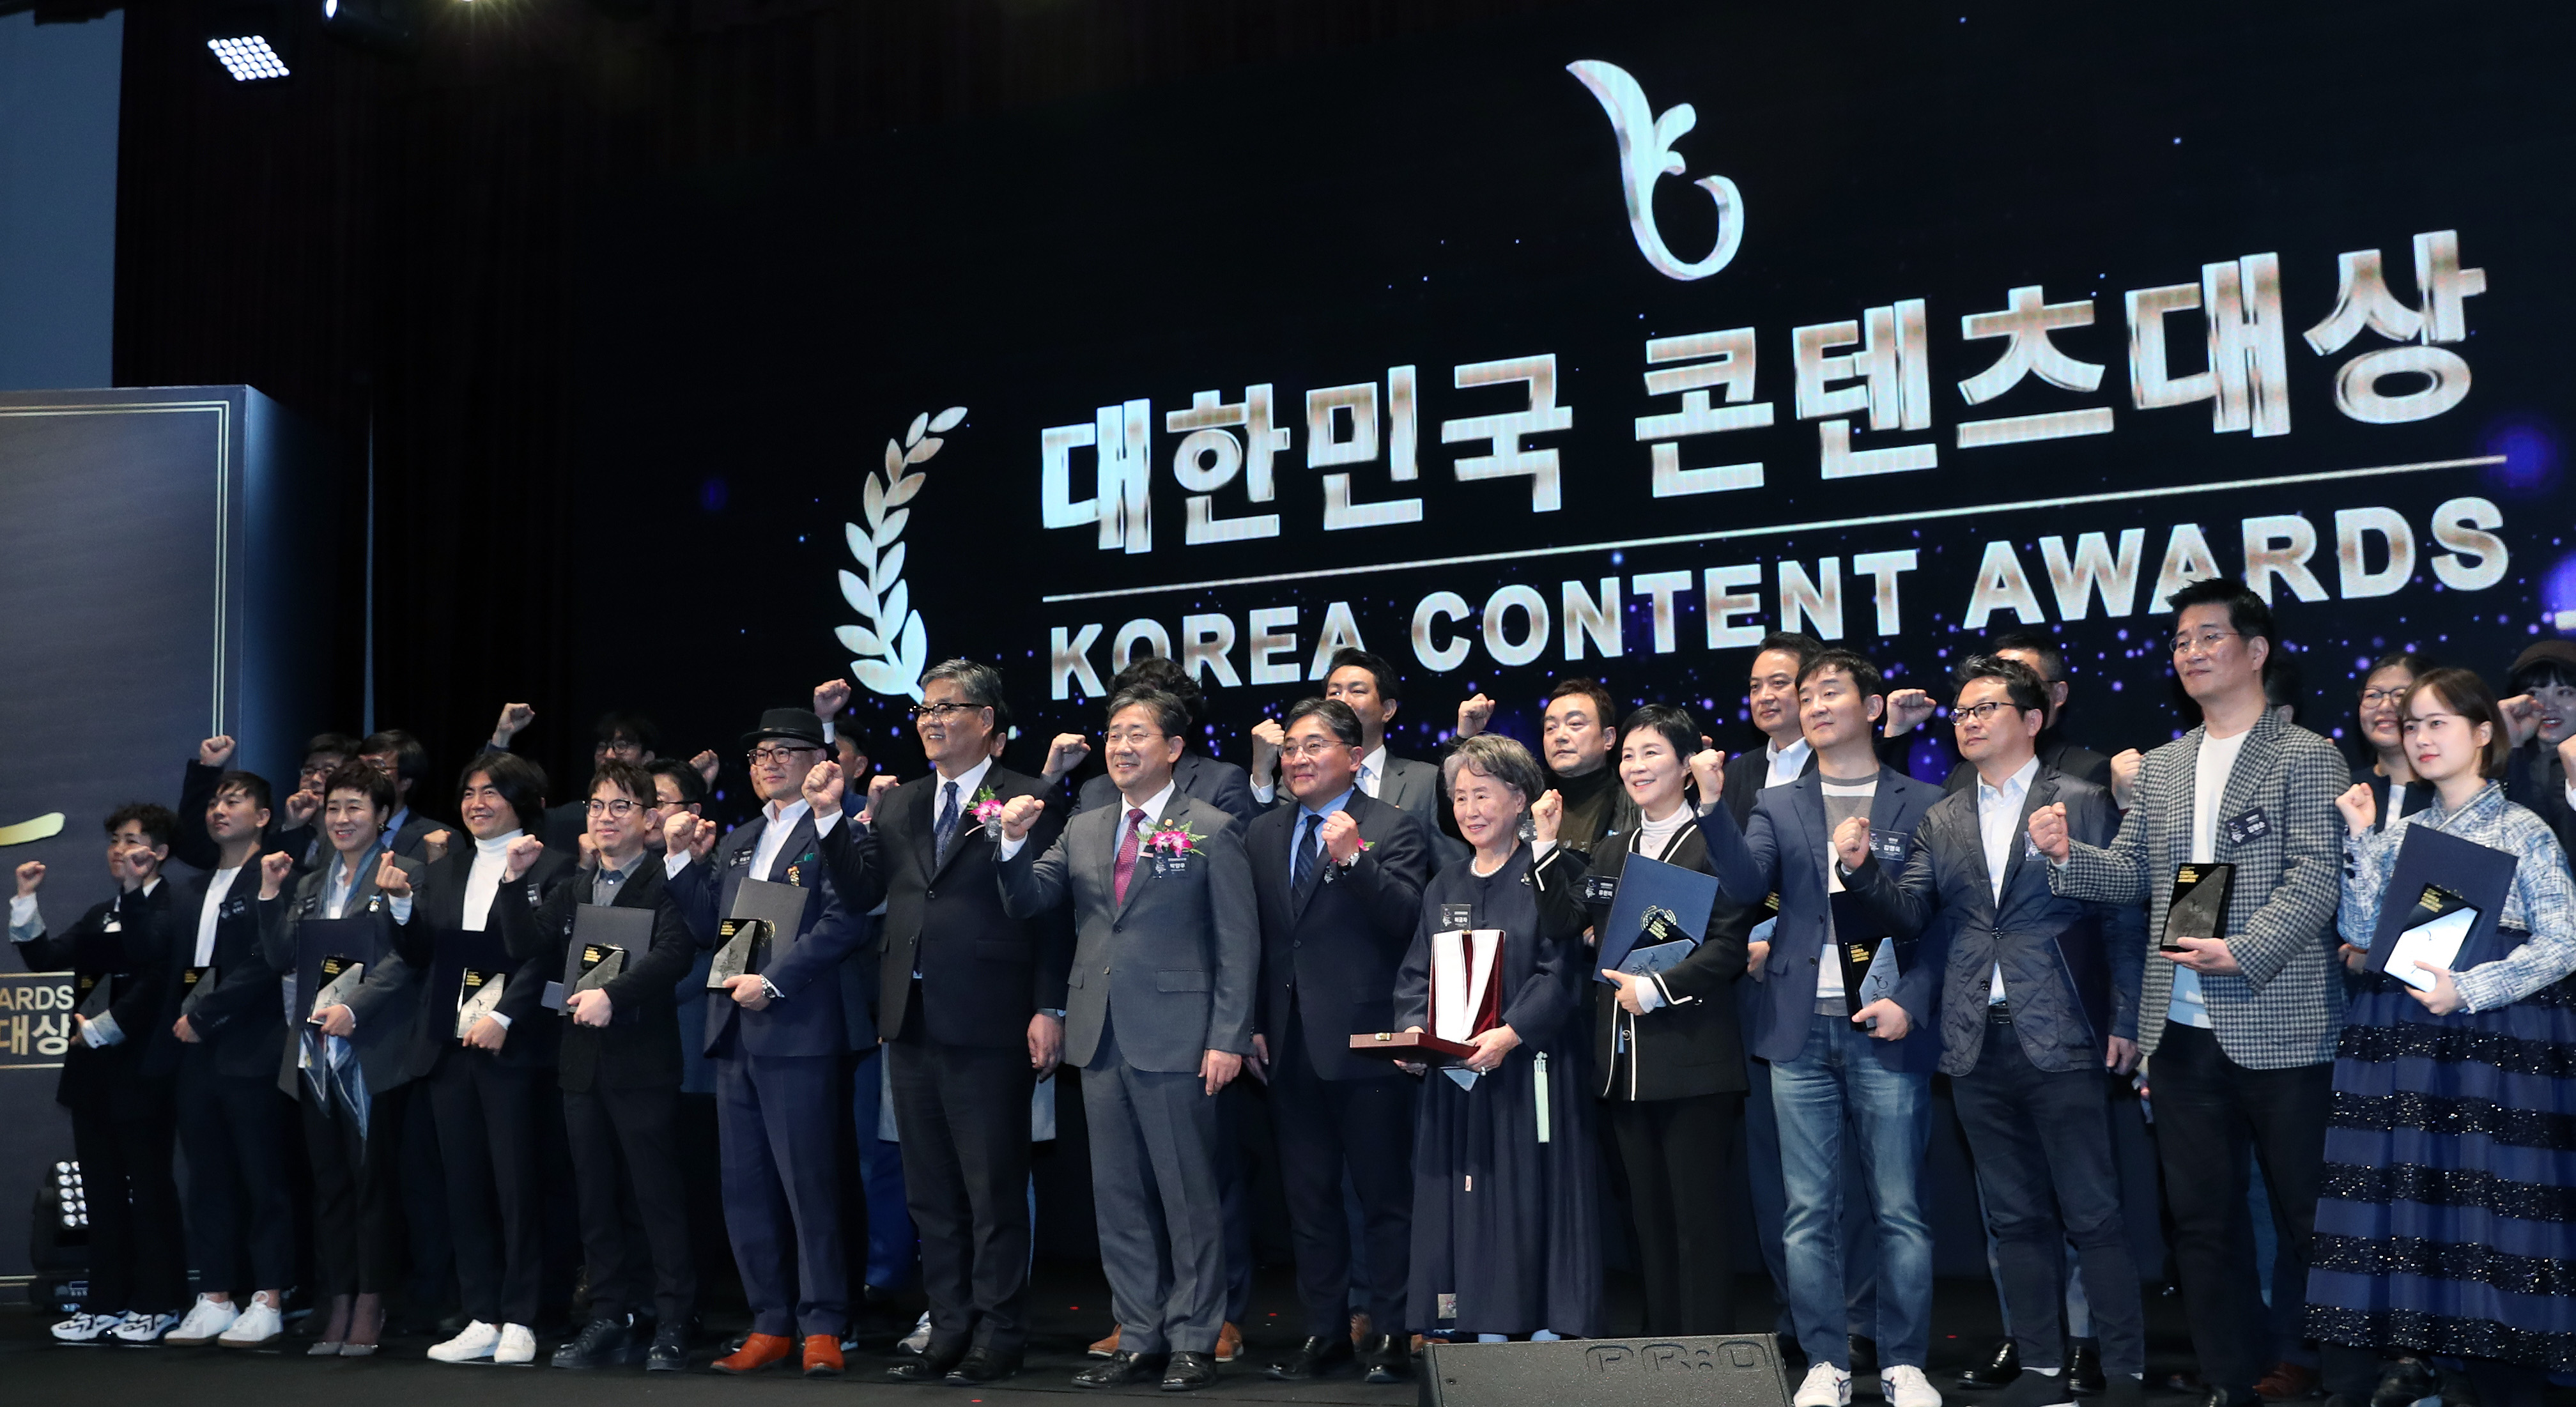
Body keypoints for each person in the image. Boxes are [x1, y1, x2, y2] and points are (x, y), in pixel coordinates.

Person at [2031, 578, 2352, 1407]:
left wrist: (2240, 950)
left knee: (2308, 1216)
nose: (2191, 652)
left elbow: (2316, 875)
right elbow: (2134, 871)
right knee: (2201, 1223)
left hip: (2281, 1020)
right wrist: (2068, 853)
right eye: (2180, 641)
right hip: (2177, 1029)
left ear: (2254, 649)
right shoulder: (2166, 763)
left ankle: (2342, 1377)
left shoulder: (2306, 754)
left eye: (2209, 636)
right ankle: (2227, 1378)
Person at [1839, 657, 2148, 1407]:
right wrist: (1858, 872)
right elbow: (1914, 916)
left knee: (2093, 1213)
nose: (1967, 721)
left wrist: (2126, 1018)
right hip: (1973, 1038)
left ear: (2032, 720)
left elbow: (2126, 911)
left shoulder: (2078, 798)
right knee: (2013, 1218)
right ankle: (2043, 1370)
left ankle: (2123, 1372)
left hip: (2063, 1030)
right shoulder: (1943, 814)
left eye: (1985, 709)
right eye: (1961, 712)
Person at [2309, 666, 2576, 1407]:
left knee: (2495, 1222)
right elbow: (2362, 935)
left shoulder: (2521, 828)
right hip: (2411, 1047)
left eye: (2437, 723)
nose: (2419, 737)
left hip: (2497, 1049)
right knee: (2426, 1221)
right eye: (2412, 724)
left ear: (2483, 734)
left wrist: (2474, 987)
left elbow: (2563, 940)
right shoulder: (2401, 834)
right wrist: (2361, 842)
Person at [804, 660, 1072, 1386]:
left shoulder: (1028, 795)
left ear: (986, 720)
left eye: (946, 708)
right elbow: (862, 894)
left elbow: (1051, 916)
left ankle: (1000, 1331)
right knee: (929, 1190)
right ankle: (948, 1326)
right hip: (910, 1016)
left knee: (992, 1188)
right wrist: (830, 816)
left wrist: (1050, 1007)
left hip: (992, 1015)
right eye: (923, 709)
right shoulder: (901, 803)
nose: (928, 720)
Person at [1690, 649, 1943, 1407]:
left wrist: (1913, 1001)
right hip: (1798, 1030)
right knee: (1807, 1214)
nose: (1813, 705)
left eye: (1829, 692)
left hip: (1882, 1025)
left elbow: (1942, 927)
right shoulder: (1778, 801)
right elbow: (1741, 887)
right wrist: (1709, 808)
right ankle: (1825, 1361)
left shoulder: (1923, 801)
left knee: (1898, 1209)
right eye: (1805, 696)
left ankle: (1902, 1361)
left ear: (1872, 708)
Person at [995, 685, 1257, 1392]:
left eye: (1136, 734)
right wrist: (1012, 840)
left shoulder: (1208, 825)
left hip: (1180, 1035)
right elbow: (1028, 899)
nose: (1119, 746)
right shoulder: (1084, 823)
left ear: (1173, 749)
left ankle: (1194, 1338)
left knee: (1187, 1194)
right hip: (1099, 1034)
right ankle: (1138, 1334)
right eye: (1113, 734)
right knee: (1117, 1198)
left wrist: (1228, 1035)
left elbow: (1237, 943)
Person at [665, 706, 872, 1378]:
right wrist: (677, 862)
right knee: (745, 1186)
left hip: (797, 1026)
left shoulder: (835, 828)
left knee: (810, 1183)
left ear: (820, 761)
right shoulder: (740, 838)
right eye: (758, 755)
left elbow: (846, 923)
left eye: (785, 751)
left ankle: (823, 1323)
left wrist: (774, 983)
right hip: (733, 1029)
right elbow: (708, 929)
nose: (768, 763)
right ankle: (769, 1321)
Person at [1244, 697, 1432, 1382]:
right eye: (1290, 747)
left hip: (1369, 1042)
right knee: (1309, 1201)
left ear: (1355, 757)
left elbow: (1410, 922)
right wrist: (1254, 1024)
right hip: (1286, 1044)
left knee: (1384, 1199)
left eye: (1314, 746)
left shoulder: (1394, 827)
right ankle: (1323, 1331)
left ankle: (1391, 1331)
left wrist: (1354, 861)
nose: (1297, 758)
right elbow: (1260, 940)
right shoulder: (1264, 833)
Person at [1544, 705, 1747, 1337]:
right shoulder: (1614, 847)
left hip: (1690, 1056)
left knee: (1696, 1217)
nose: (1634, 766)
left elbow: (1728, 946)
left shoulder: (1713, 840)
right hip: (1623, 1062)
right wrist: (1544, 848)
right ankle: (1661, 1348)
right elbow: (1561, 923)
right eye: (1628, 755)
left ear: (1687, 766)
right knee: (1646, 1216)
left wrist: (1658, 988)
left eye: (1650, 754)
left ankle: (1705, 1350)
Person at [494, 758, 697, 1373]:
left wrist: (615, 994)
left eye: (621, 807)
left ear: (650, 817)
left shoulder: (667, 878)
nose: (605, 818)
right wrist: (512, 882)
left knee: (656, 1198)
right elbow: (525, 946)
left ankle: (673, 1320)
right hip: (579, 1064)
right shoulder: (577, 884)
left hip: (643, 1061)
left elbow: (677, 952)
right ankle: (610, 1314)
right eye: (596, 806)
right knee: (596, 1198)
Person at [1398, 733, 1601, 1342]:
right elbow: (1416, 972)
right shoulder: (1444, 885)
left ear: (1521, 799)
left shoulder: (1552, 873)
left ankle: (1544, 1321)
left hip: (1529, 1067)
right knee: (1462, 1193)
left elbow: (1561, 970)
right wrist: (1414, 1033)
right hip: (1457, 1076)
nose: (1469, 810)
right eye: (1459, 797)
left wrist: (1510, 1034)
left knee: (1530, 1191)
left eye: (1482, 794)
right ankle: (1475, 1322)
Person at [396, 753, 576, 1367]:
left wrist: (505, 1016)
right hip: (448, 1043)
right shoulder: (445, 869)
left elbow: (547, 954)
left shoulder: (553, 867)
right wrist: (398, 908)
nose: (477, 802)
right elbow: (426, 951)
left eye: (491, 792)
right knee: (464, 1183)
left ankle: (524, 1315)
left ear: (521, 801)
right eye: (470, 792)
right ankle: (481, 1313)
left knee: (519, 1182)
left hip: (515, 1045)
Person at [251, 762, 426, 1358]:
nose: (342, 819)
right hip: (312, 1052)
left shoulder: (404, 874)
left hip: (371, 1050)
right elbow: (280, 958)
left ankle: (374, 1299)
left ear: (382, 816)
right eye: (333, 808)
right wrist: (270, 894)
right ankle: (340, 1296)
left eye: (355, 807)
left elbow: (407, 959)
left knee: (373, 1182)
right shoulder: (306, 883)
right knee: (329, 1185)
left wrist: (356, 1007)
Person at [10, 804, 187, 1345]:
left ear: (157, 853)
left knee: (149, 1189)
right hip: (91, 1073)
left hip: (143, 1069)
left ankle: (160, 1303)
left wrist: (108, 1026)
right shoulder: (97, 913)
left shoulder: (174, 908)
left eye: (132, 841)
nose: (118, 850)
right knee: (102, 1191)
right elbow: (45, 958)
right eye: (114, 839)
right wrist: (25, 898)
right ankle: (106, 1302)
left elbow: (154, 969)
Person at [1881, 631, 2115, 795]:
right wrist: (1897, 732)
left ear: (2059, 694)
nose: (2007, 686)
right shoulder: (1963, 777)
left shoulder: (2087, 773)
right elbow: (1902, 822)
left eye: (2022, 678)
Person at [1049, 654, 1260, 829]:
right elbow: (1050, 858)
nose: (1124, 747)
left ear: (1184, 718)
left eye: (1139, 733)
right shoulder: (1094, 792)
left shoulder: (1220, 783)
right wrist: (1051, 776)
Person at [1247, 649, 1446, 819]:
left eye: (1357, 691)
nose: (1343, 702)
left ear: (1387, 710)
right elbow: (1271, 844)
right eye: (1334, 693)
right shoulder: (1303, 775)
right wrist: (1262, 774)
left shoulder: (1425, 782)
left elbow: (1448, 861)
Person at [1451, 677, 1635, 852]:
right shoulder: (1523, 797)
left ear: (1609, 738)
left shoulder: (1635, 804)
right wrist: (1464, 739)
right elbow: (1454, 821)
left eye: (1575, 724)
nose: (1560, 736)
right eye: (1551, 728)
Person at [487, 704, 666, 852]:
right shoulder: (569, 819)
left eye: (622, 746)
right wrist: (502, 738)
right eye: (603, 746)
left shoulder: (662, 818)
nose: (610, 755)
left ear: (647, 758)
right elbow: (502, 810)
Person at [2497, 639, 2576, 860]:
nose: (2549, 706)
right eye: (2534, 693)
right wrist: (2513, 746)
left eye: (2565, 692)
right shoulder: (2501, 764)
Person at [2350, 653, 2436, 833]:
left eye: (2400, 695)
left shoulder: (2450, 794)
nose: (2385, 706)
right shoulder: (2346, 790)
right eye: (2373, 695)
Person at [273, 732, 364, 869]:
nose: (315, 779)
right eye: (309, 771)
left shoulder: (358, 835)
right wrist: (292, 826)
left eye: (328, 771)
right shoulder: (277, 830)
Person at [357, 729, 446, 858]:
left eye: (376, 768)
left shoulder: (439, 837)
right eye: (359, 768)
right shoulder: (343, 831)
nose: (361, 777)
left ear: (405, 782)